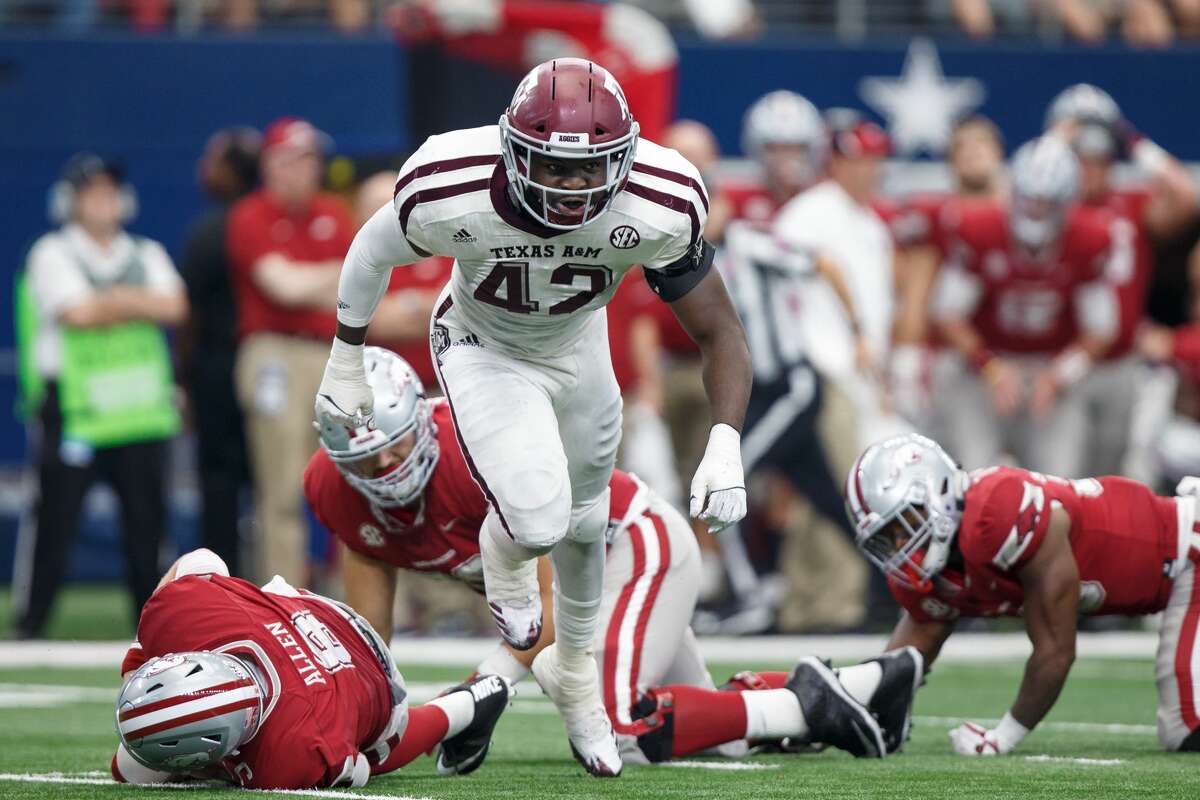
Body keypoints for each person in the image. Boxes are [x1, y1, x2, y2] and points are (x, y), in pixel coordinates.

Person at [314, 59, 751, 777]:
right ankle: (507, 555)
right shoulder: (450, 184)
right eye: (551, 167)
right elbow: (371, 249)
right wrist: (345, 358)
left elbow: (720, 330)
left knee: (586, 524)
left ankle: (574, 674)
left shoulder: (661, 197)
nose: (572, 188)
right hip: (484, 345)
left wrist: (724, 441)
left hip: (580, 348)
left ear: (626, 158)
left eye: (592, 171)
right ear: (512, 148)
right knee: (540, 519)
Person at [306, 348, 913, 764]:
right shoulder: (333, 492)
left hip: (629, 547)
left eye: (396, 446)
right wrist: (368, 706)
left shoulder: (474, 453)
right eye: (366, 461)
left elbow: (541, 615)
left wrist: (475, 696)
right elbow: (372, 633)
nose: (387, 470)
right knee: (709, 736)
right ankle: (864, 685)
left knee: (619, 722)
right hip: (589, 582)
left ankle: (809, 710)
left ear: (422, 418)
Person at [845, 432, 1200, 753]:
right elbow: (905, 657)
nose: (901, 546)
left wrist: (1002, 737)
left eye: (902, 526)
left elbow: (1056, 651)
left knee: (1186, 726)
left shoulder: (997, 512)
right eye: (888, 539)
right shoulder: (943, 564)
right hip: (1171, 577)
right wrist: (845, 708)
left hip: (1189, 551)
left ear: (936, 493)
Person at [110, 548, 511, 788]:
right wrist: (139, 659)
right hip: (314, 614)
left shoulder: (288, 759)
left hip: (376, 677)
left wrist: (219, 771)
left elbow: (356, 767)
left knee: (374, 745)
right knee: (129, 765)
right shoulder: (186, 613)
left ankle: (462, 708)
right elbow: (202, 560)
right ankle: (477, 700)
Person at [12, 154, 187, 639]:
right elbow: (76, 313)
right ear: (69, 202)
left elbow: (174, 305)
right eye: (91, 192)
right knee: (54, 520)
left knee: (147, 524)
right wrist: (135, 302)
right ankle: (32, 621)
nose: (104, 201)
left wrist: (107, 301)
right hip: (76, 411)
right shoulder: (52, 253)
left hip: (140, 412)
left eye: (110, 191)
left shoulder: (145, 250)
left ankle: (154, 626)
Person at [931, 136, 1121, 478]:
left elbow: (1102, 329)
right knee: (973, 477)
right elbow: (948, 314)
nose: (1035, 211)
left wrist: (1059, 375)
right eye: (1029, 199)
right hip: (985, 369)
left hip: (1050, 368)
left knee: (1060, 485)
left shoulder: (1091, 237)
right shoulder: (979, 229)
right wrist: (991, 367)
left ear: (1066, 202)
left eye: (1046, 203)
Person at [1044, 84, 1199, 480]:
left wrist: (1130, 138)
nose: (1090, 169)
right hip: (1064, 359)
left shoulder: (1129, 204)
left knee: (1117, 478)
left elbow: (1186, 194)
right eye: (1080, 159)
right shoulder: (1048, 210)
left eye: (1100, 158)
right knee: (1061, 473)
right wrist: (1054, 143)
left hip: (1125, 363)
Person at [227, 116, 357, 585]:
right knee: (281, 486)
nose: (307, 169)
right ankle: (284, 597)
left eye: (311, 160)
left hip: (331, 350)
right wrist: (331, 275)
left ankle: (351, 597)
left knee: (351, 481)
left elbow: (358, 283)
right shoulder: (250, 214)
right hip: (274, 354)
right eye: (295, 160)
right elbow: (281, 286)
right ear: (271, 165)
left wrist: (319, 280)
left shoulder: (332, 212)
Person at [178, 127, 261, 577]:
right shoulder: (260, 224)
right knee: (268, 482)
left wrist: (182, 378)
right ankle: (270, 580)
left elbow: (189, 315)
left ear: (231, 171)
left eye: (212, 161)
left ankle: (221, 580)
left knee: (220, 482)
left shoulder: (211, 231)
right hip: (261, 367)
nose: (203, 171)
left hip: (219, 368)